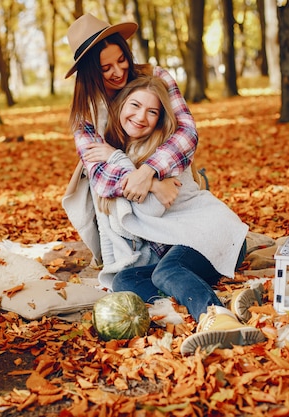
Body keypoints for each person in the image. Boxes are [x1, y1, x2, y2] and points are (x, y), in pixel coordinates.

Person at [83, 75, 266, 355]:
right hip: (187, 247)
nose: (141, 117)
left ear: (160, 119)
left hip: (213, 234)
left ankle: (217, 318)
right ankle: (227, 304)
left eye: (152, 111)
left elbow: (148, 209)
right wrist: (140, 177)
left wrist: (120, 161)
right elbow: (109, 208)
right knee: (124, 282)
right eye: (134, 105)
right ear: (120, 105)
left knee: (167, 271)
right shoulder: (125, 150)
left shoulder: (166, 154)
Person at [62, 13, 197, 268]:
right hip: (123, 198)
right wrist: (152, 184)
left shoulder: (156, 76)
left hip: (169, 172)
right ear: (90, 72)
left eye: (122, 60)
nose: (118, 72)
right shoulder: (86, 112)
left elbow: (187, 132)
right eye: (106, 68)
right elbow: (100, 177)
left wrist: (150, 171)